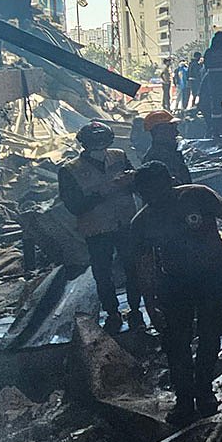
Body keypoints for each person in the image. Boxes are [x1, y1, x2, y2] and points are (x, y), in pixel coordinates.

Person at [130, 161, 222, 424]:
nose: (154, 197)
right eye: (147, 193)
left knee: (210, 333)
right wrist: (149, 302)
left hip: (211, 277)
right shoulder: (142, 222)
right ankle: (184, 400)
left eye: (157, 189)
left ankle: (204, 391)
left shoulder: (198, 195)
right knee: (176, 342)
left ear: (170, 182)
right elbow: (144, 264)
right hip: (173, 284)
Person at [58, 121, 144, 330]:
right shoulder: (70, 170)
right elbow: (74, 206)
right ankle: (112, 312)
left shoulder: (119, 156)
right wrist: (101, 193)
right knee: (103, 273)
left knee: (133, 268)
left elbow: (136, 183)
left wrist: (130, 181)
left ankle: (135, 309)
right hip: (96, 229)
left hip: (125, 222)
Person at [142, 110, 191, 185]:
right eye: (172, 129)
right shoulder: (156, 158)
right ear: (160, 131)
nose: (176, 132)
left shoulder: (171, 151)